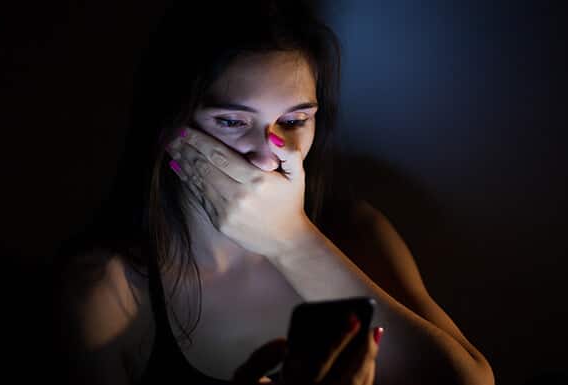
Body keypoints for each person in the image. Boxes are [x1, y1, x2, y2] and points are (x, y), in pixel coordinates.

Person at [54, 1, 495, 384]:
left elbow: (469, 380)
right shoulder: (105, 291)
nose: (269, 157)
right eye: (230, 122)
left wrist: (291, 239)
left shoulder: (357, 232)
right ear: (170, 126)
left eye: (295, 120)